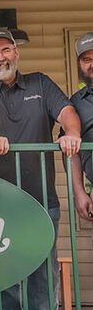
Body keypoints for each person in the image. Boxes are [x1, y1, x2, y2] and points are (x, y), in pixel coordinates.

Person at [0, 28, 82, 310]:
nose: (0, 57)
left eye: (6, 50)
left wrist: (72, 133)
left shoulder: (40, 82)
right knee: (2, 270)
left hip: (41, 198)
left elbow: (67, 110)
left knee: (41, 272)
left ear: (16, 53)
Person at [66, 32, 93, 221]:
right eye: (86, 59)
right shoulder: (75, 103)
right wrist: (79, 192)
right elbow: (71, 151)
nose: (92, 64)